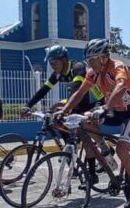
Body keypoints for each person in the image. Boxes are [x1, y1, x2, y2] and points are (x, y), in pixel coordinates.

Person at [60, 38, 130, 208]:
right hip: (114, 111)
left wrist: (105, 107)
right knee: (86, 120)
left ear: (104, 57)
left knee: (122, 149)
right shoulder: (93, 73)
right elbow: (80, 92)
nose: (89, 63)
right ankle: (104, 148)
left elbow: (120, 86)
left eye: (92, 59)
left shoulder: (118, 67)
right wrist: (65, 110)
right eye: (88, 60)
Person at [20, 44, 109, 182]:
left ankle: (98, 160)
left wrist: (65, 107)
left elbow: (76, 90)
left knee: (85, 135)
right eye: (50, 64)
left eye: (53, 63)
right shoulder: (58, 74)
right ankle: (71, 148)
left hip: (95, 102)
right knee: (57, 120)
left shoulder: (77, 68)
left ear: (63, 60)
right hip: (78, 103)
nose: (52, 66)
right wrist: (28, 105)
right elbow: (43, 90)